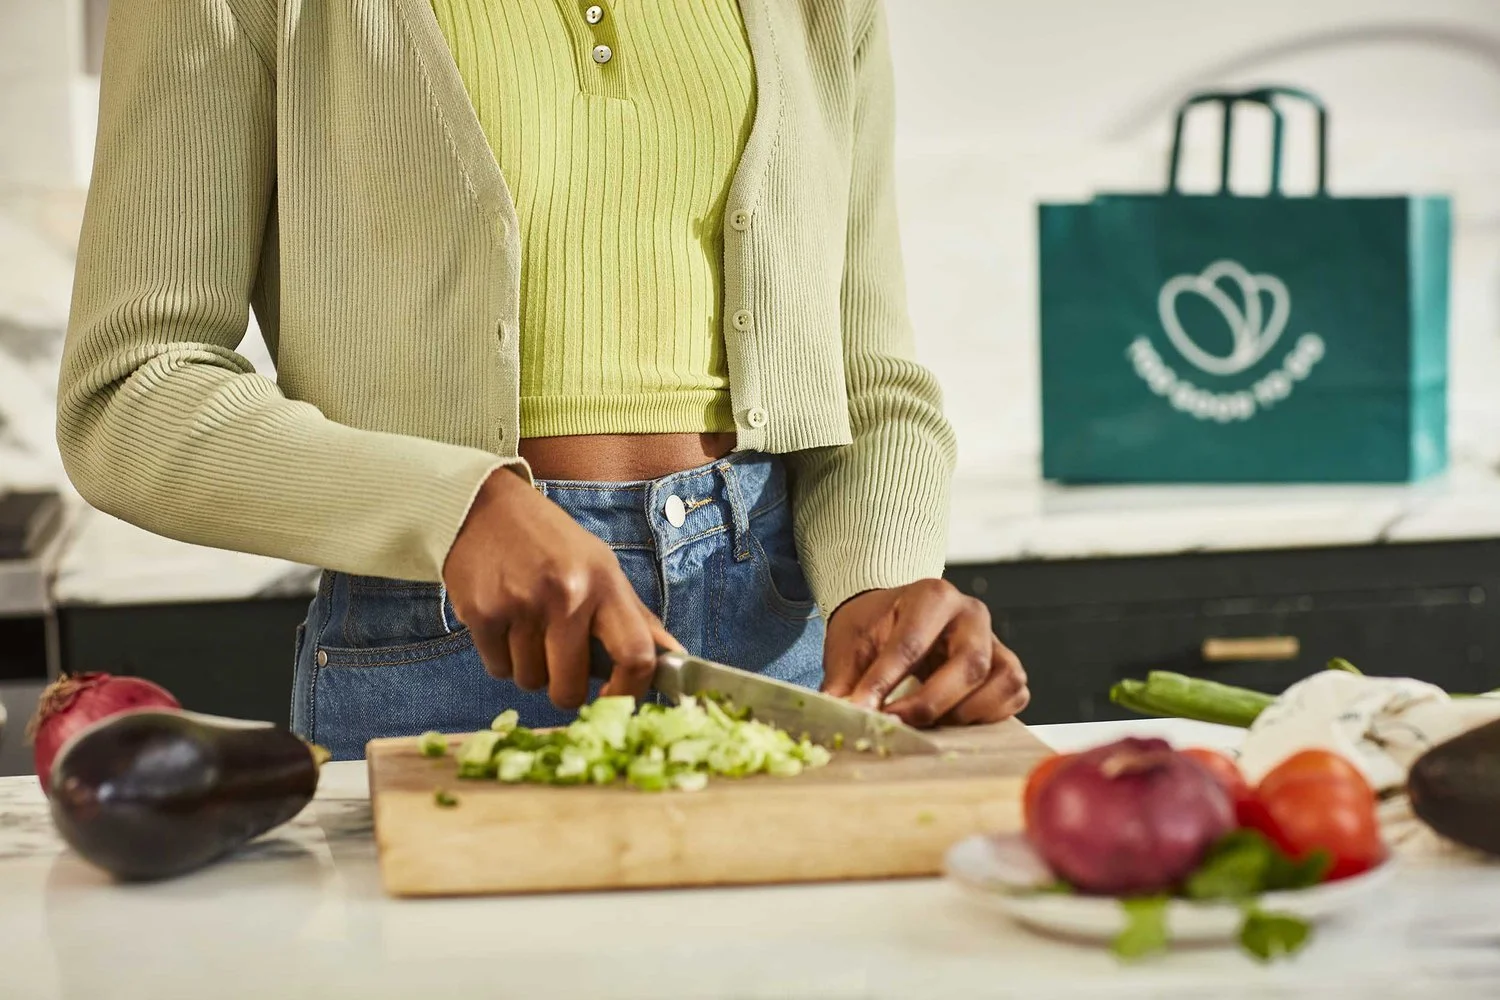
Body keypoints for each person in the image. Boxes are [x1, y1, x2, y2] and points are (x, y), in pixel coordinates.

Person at [57, 0, 1029, 760]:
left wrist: (885, 582)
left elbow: (866, 383)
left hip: (785, 641)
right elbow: (130, 392)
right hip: (441, 641)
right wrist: (457, 511)